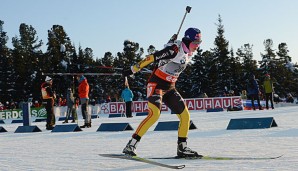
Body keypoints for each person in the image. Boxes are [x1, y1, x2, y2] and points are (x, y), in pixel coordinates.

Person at [122, 28, 203, 158]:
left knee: (185, 116)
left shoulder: (187, 51)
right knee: (154, 114)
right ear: (187, 41)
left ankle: (182, 148)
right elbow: (151, 58)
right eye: (195, 43)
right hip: (156, 85)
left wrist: (170, 42)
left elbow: (171, 50)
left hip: (170, 87)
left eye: (199, 43)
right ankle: (131, 145)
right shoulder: (173, 51)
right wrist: (133, 69)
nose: (197, 46)